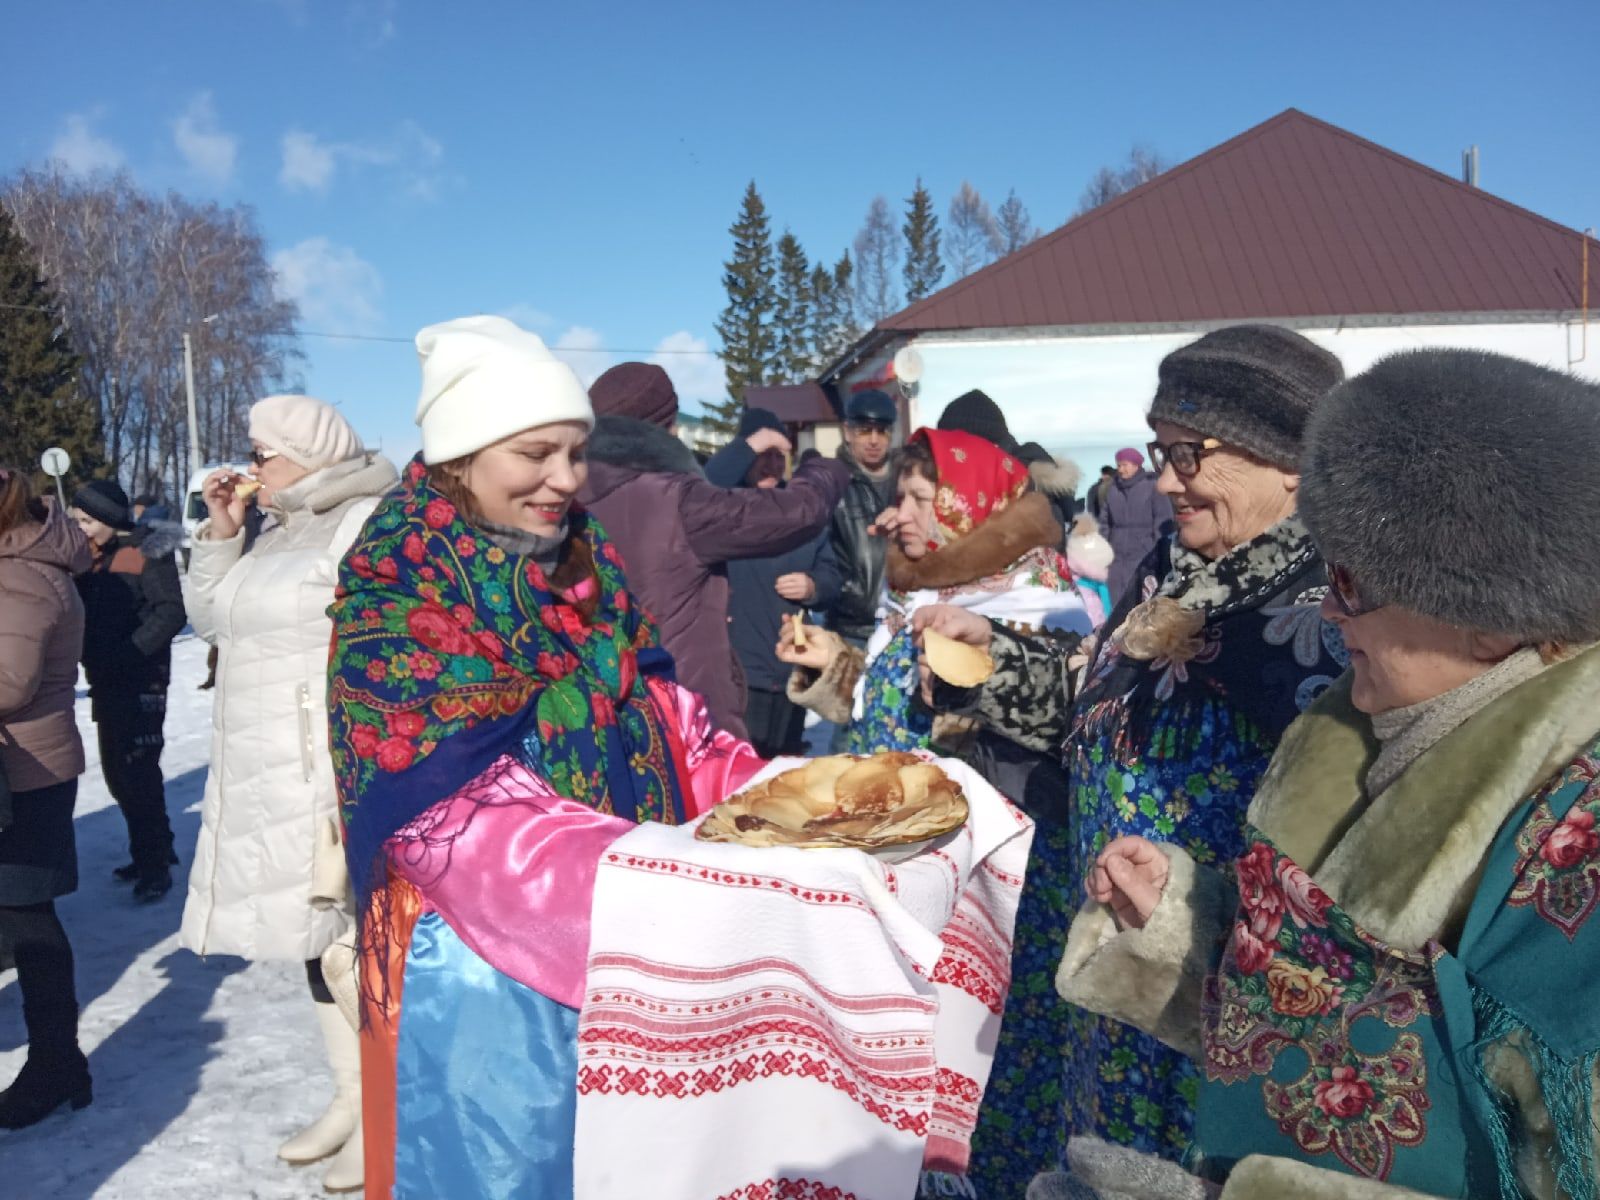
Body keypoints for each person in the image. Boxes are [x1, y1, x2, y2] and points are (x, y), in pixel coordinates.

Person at [1056, 348, 1600, 1200]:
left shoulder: (1575, 829)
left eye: (1350, 583)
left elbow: (1552, 1155)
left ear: (1489, 616)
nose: (1331, 613)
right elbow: (1327, 1006)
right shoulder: (1362, 723)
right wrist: (1180, 922)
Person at [327, 315, 761, 1199]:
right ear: (461, 454)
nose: (567, 480)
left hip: (633, 943)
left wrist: (766, 794)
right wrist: (659, 876)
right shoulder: (399, 583)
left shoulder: (581, 556)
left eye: (576, 452)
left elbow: (667, 714)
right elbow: (448, 816)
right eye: (536, 453)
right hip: (486, 986)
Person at [915, 324, 1347, 1195]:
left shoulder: (1331, 617)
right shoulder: (1173, 573)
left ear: (1288, 460)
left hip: (1211, 1014)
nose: (1163, 478)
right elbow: (1099, 699)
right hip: (1109, 981)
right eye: (1161, 449)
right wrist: (995, 655)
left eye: (1191, 454)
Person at [179, 394, 398, 1194]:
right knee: (306, 933)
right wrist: (224, 536)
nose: (250, 467)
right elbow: (213, 622)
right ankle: (349, 1095)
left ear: (306, 451)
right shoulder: (281, 523)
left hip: (323, 767)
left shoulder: (364, 517)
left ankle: (387, 1105)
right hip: (258, 761)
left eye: (262, 452)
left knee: (347, 937)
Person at [579, 361, 848, 739]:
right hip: (686, 712)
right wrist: (824, 466)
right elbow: (798, 513)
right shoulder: (675, 501)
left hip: (603, 705)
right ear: (665, 427)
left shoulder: (568, 497)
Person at [0, 470, 93, 1129]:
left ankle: (57, 1063)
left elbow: (9, 683)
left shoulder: (23, 575)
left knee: (28, 916)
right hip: (23, 767)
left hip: (24, 775)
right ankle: (59, 1061)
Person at [69, 479, 187, 901]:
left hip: (142, 681)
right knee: (120, 773)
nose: (79, 527)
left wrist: (131, 653)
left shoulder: (143, 551)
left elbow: (171, 611)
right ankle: (156, 848)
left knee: (136, 773)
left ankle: (155, 864)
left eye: (86, 520)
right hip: (107, 680)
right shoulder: (92, 560)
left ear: (107, 519)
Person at [704, 407, 839, 758]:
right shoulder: (723, 507)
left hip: (791, 665)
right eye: (760, 455)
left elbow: (833, 574)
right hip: (742, 670)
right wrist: (748, 446)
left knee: (786, 767)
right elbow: (704, 484)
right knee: (744, 769)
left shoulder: (798, 509)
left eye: (777, 457)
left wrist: (813, 586)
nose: (770, 465)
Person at [822, 389, 900, 652]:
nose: (874, 440)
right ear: (848, 432)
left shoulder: (907, 482)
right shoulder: (832, 482)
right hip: (850, 629)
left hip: (902, 624)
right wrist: (848, 593)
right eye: (865, 431)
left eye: (882, 431)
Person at [1101, 447, 1173, 602]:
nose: (1121, 469)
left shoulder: (1152, 486)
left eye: (1125, 465)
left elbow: (1163, 521)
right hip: (1116, 557)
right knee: (1115, 601)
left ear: (1136, 465)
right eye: (1118, 465)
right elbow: (1105, 523)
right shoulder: (1113, 489)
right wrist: (1103, 549)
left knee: (1140, 598)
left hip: (1144, 553)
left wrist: (1159, 553)